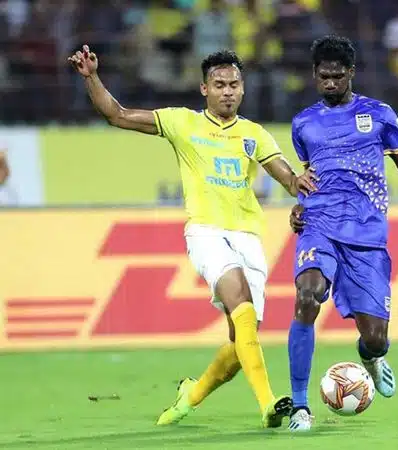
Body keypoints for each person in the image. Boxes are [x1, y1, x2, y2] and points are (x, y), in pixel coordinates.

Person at [67, 46, 317, 429]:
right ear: (204, 89)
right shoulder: (182, 123)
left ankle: (191, 395)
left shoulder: (254, 135)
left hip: (248, 236)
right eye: (219, 85)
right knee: (239, 297)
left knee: (240, 341)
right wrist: (91, 78)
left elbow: (288, 178)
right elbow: (117, 114)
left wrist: (301, 188)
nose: (227, 92)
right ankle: (268, 404)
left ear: (243, 88)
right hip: (205, 232)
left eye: (234, 84)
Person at [286, 35, 398, 432]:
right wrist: (300, 205)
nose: (330, 83)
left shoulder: (379, 115)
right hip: (319, 227)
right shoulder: (303, 123)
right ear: (315, 75)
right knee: (307, 297)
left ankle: (371, 357)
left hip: (366, 234)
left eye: (337, 76)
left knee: (376, 338)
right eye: (323, 76)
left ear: (351, 73)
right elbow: (310, 176)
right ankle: (299, 406)